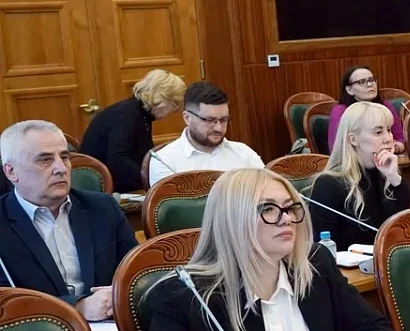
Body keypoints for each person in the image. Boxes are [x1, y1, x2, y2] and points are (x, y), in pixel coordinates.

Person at [133, 168, 397, 331]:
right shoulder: (185, 296)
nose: (286, 219)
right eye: (268, 209)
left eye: (290, 208)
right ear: (233, 220)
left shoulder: (314, 265)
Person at [0, 120, 138, 318]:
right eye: (45, 160)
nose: (61, 168)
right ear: (11, 171)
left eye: (64, 157)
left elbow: (137, 272)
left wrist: (118, 293)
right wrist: (78, 307)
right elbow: (6, 302)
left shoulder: (103, 208)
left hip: (111, 324)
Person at [310, 102, 410, 249]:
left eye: (389, 130)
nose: (389, 138)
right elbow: (324, 249)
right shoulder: (328, 185)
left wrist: (396, 180)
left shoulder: (388, 173)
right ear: (353, 139)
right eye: (378, 132)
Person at [79, 69, 186, 192]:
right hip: (98, 186)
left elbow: (145, 155)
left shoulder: (142, 114)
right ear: (161, 99)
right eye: (174, 105)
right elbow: (118, 159)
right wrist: (150, 180)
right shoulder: (127, 115)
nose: (173, 111)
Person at [148, 82, 264, 186]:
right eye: (209, 120)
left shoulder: (244, 153)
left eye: (224, 120)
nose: (218, 128)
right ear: (187, 118)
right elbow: (168, 203)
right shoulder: (164, 160)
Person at [326, 66, 406, 153]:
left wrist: (395, 147)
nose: (370, 84)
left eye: (372, 80)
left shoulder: (385, 106)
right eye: (362, 82)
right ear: (349, 90)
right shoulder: (341, 111)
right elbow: (336, 148)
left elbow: (400, 139)